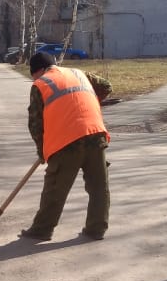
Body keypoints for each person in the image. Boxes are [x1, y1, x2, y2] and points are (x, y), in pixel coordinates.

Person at [20, 51, 112, 242]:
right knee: (98, 186)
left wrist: (43, 151)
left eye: (34, 75)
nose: (34, 79)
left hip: (66, 141)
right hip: (96, 135)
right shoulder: (78, 73)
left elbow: (35, 124)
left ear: (41, 70)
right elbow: (105, 86)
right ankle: (96, 228)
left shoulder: (41, 84)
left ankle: (41, 230)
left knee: (55, 188)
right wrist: (85, 102)